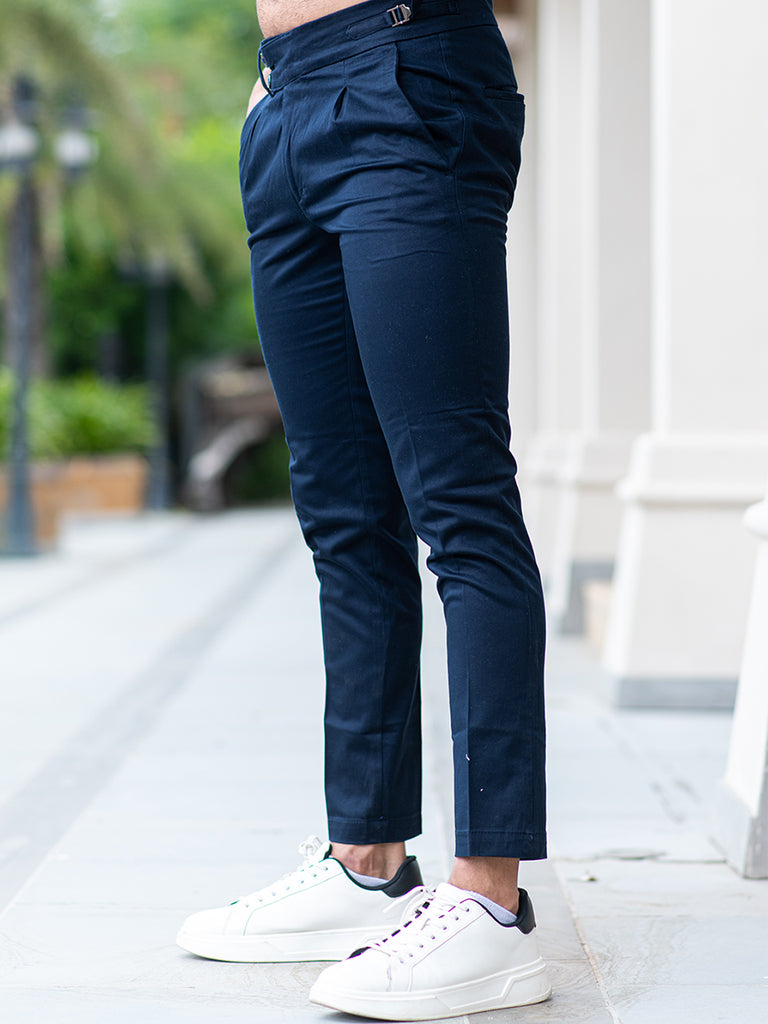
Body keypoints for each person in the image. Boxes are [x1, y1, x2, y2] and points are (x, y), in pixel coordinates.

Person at [177, 0, 551, 1017]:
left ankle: (491, 899)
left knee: (460, 503)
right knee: (343, 516)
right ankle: (368, 861)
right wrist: (270, 91)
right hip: (285, 96)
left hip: (407, 70)